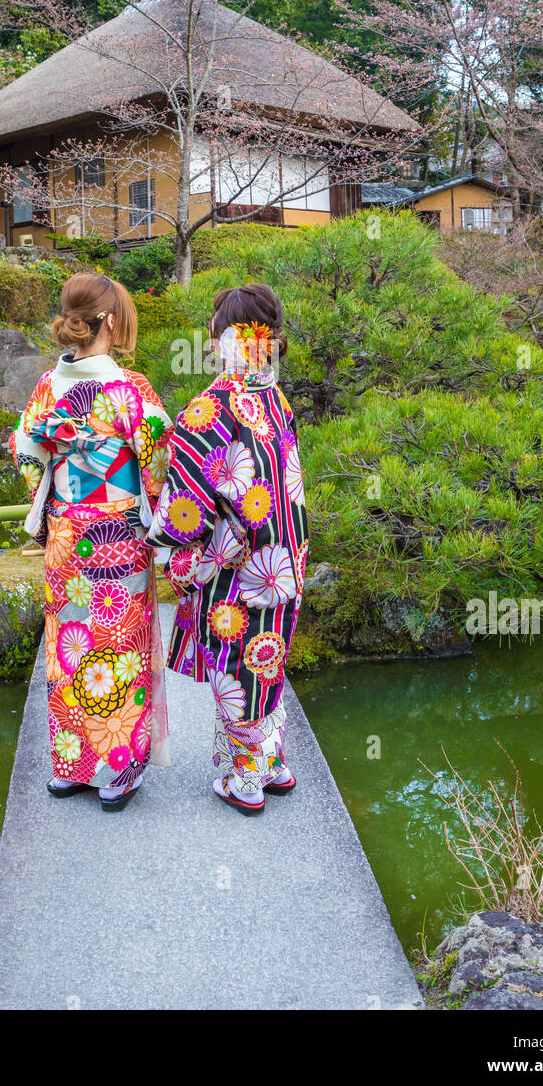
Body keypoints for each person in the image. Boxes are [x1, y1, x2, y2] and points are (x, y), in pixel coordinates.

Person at [9, 272, 173, 811]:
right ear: (109, 323)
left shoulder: (46, 386)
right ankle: (116, 769)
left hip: (65, 534)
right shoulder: (132, 390)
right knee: (118, 645)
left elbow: (24, 450)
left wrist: (59, 468)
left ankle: (71, 765)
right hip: (117, 534)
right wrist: (162, 521)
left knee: (71, 642)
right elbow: (159, 464)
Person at [146, 283, 309, 815]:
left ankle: (246, 781)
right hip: (283, 556)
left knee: (237, 663)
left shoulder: (210, 406)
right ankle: (272, 762)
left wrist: (165, 541)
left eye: (216, 325)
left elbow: (186, 502)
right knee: (268, 656)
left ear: (229, 335)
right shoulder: (273, 396)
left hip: (236, 561)